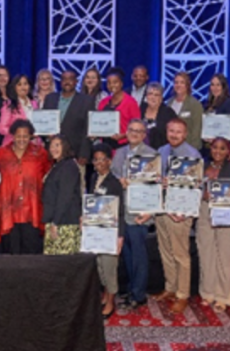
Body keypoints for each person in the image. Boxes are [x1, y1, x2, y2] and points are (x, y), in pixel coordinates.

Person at [151, 118, 200, 314]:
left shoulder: (192, 155)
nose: (174, 135)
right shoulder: (161, 151)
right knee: (165, 251)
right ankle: (170, 287)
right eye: (171, 131)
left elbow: (196, 186)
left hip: (180, 212)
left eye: (178, 132)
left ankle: (182, 294)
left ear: (185, 134)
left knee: (181, 254)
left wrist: (185, 212)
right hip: (162, 208)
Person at [110, 120, 155, 309]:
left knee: (139, 256)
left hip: (139, 213)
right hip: (122, 212)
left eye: (139, 131)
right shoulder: (119, 153)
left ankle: (139, 294)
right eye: (132, 130)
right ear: (126, 132)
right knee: (127, 255)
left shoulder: (151, 155)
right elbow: (113, 176)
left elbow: (154, 187)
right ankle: (130, 289)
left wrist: (150, 213)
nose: (135, 134)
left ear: (144, 134)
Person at [196, 138, 230, 311]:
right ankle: (208, 292)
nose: (217, 151)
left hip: (228, 214)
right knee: (206, 252)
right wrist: (203, 195)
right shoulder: (201, 168)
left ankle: (225, 295)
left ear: (228, 152)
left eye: (222, 148)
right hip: (204, 211)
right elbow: (192, 190)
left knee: (227, 256)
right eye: (215, 147)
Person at [0, 119, 52, 254]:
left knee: (31, 250)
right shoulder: (1, 154)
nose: (21, 139)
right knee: (11, 251)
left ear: (31, 136)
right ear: (12, 136)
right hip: (9, 210)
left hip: (32, 209)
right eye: (18, 136)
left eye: (25, 136)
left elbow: (48, 176)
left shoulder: (40, 154)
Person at [87, 143, 125, 318]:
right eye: (96, 160)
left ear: (109, 161)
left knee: (110, 268)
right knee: (100, 266)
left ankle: (110, 302)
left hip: (111, 231)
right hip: (96, 231)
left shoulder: (115, 183)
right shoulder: (93, 178)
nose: (99, 163)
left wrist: (120, 237)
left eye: (103, 159)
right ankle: (105, 296)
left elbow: (121, 210)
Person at [43, 69, 96, 162]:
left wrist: (84, 154)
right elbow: (43, 124)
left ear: (76, 82)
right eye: (64, 79)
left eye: (70, 79)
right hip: (51, 153)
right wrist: (47, 136)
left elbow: (88, 129)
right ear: (60, 82)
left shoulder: (86, 101)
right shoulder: (50, 98)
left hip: (76, 153)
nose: (67, 82)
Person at [42, 136, 83, 255]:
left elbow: (65, 197)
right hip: (56, 221)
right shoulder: (58, 165)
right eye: (52, 145)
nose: (53, 149)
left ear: (65, 147)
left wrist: (56, 222)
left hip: (64, 224)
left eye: (57, 145)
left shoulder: (69, 167)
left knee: (63, 265)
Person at [97, 67, 141, 148]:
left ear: (121, 83)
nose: (112, 85)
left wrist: (124, 135)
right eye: (109, 83)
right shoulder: (103, 102)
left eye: (115, 82)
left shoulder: (131, 102)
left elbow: (137, 126)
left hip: (123, 145)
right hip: (105, 145)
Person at [203, 74, 230, 156]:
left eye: (218, 85)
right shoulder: (206, 104)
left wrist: (215, 137)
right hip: (212, 149)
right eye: (212, 85)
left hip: (229, 150)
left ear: (223, 87)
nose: (215, 88)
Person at [167, 72, 204, 150]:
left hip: (189, 148)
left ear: (187, 85)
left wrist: (193, 150)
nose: (178, 85)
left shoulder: (195, 105)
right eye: (176, 82)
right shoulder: (169, 103)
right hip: (170, 148)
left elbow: (197, 130)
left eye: (182, 82)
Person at [0, 75, 37, 146]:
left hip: (32, 145)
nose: (23, 87)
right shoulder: (9, 105)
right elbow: (2, 128)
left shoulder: (34, 104)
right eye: (19, 84)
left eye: (25, 84)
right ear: (14, 87)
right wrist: (18, 134)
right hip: (12, 145)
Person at [139, 82, 177, 149]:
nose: (153, 97)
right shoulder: (140, 109)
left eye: (156, 95)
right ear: (146, 96)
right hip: (141, 150)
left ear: (161, 98)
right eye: (150, 94)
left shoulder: (168, 113)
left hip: (161, 151)